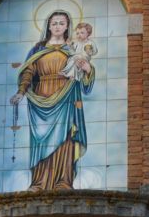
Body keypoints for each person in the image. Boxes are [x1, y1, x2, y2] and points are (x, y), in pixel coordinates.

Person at [9, 10, 95, 191]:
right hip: (41, 98)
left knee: (66, 139)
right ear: (48, 26)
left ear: (67, 26)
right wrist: (21, 92)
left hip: (67, 95)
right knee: (41, 141)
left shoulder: (73, 48)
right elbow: (28, 72)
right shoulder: (38, 49)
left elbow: (82, 73)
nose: (57, 26)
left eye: (61, 23)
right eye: (54, 23)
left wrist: (88, 70)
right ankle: (39, 182)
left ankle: (63, 181)